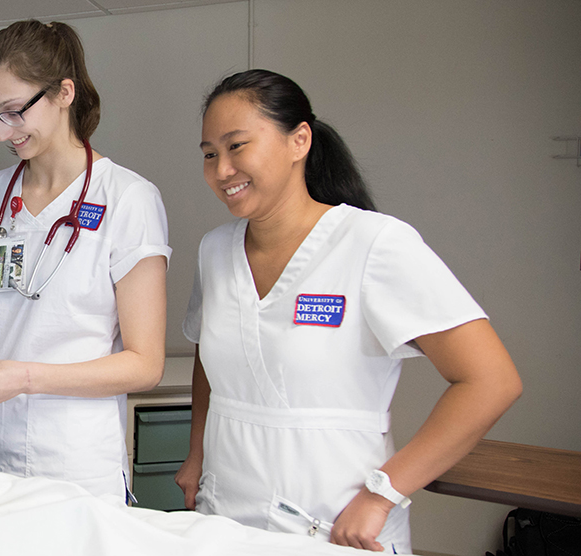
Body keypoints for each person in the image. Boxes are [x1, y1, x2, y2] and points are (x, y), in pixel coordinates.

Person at [176, 69, 522, 552]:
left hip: (334, 522)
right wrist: (196, 453)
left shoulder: (374, 243)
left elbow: (491, 381)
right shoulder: (215, 251)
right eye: (210, 154)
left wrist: (384, 493)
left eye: (237, 146)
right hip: (227, 514)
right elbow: (208, 356)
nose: (221, 170)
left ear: (299, 141)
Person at [0, 20, 170, 504]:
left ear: (64, 92)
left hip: (70, 462)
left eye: (14, 112)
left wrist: (22, 378)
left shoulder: (128, 199)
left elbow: (144, 365)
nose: (3, 132)